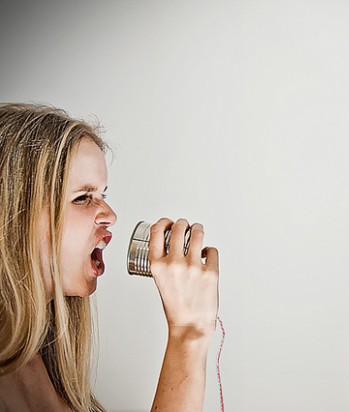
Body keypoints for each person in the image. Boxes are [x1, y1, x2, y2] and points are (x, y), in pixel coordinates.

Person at [0, 103, 220, 411]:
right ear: (12, 217)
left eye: (103, 195)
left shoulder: (33, 360)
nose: (110, 215)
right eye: (82, 198)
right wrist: (187, 334)